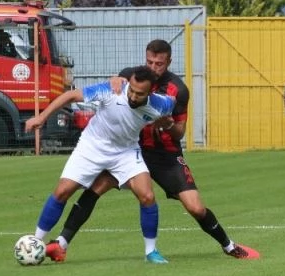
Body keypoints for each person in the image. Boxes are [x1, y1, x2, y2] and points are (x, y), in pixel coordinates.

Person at [45, 39, 259, 262]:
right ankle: (61, 244)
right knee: (95, 189)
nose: (153, 67)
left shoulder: (179, 90)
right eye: (150, 61)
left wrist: (166, 124)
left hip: (164, 155)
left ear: (169, 62)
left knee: (195, 207)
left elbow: (179, 133)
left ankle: (229, 245)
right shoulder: (130, 76)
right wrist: (113, 79)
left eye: (159, 63)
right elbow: (113, 98)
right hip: (129, 150)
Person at [25, 65, 175, 264]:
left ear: (150, 92)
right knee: (62, 191)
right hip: (92, 146)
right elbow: (70, 97)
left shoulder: (160, 104)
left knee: (147, 196)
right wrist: (41, 117)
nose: (133, 96)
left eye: (139, 94)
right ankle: (36, 241)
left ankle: (151, 252)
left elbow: (173, 105)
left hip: (125, 152)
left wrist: (164, 122)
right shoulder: (110, 90)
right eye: (131, 89)